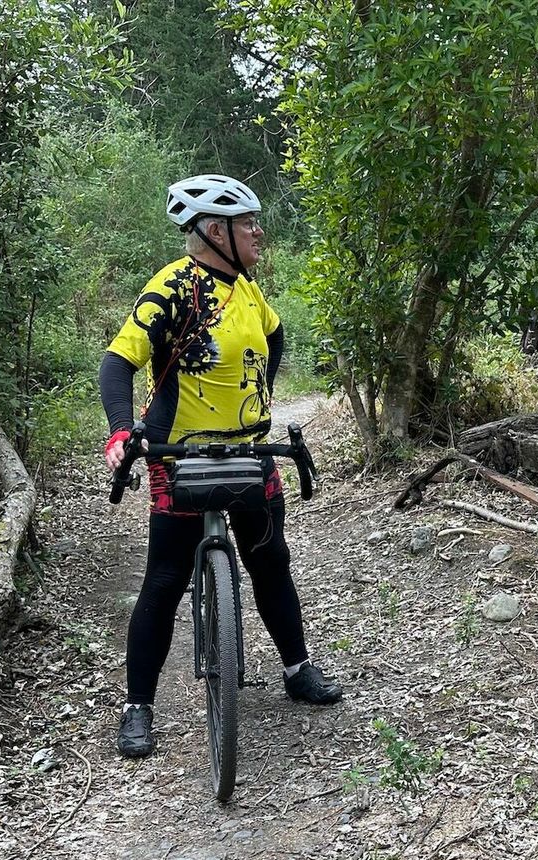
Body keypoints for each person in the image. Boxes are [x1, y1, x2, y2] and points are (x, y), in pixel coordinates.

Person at [99, 174, 341, 759]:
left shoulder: (247, 288)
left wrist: (258, 397)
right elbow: (118, 362)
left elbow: (274, 337)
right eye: (247, 224)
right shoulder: (172, 288)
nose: (258, 232)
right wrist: (122, 430)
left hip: (250, 451)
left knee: (271, 562)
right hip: (180, 456)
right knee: (165, 580)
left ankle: (297, 669)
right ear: (214, 231)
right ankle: (138, 707)